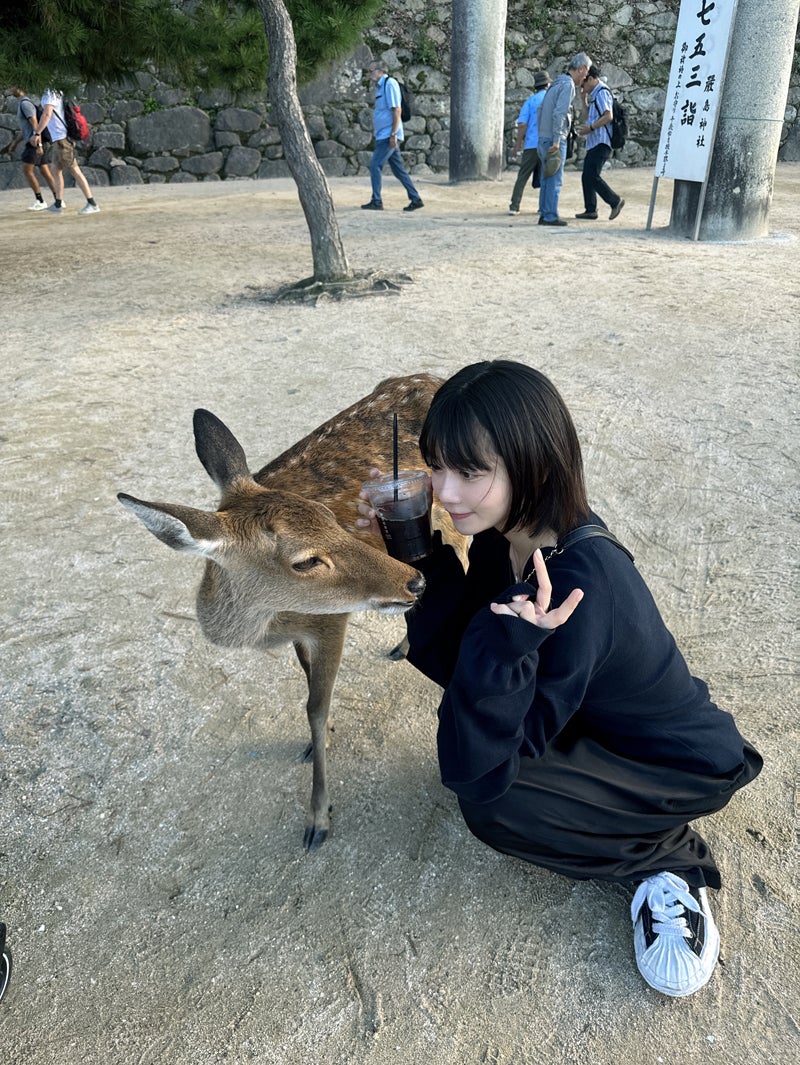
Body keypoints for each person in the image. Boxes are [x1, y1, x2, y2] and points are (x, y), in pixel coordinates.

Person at [357, 360, 762, 999]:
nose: (445, 493)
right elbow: (465, 660)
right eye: (436, 466)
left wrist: (504, 651)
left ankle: (663, 858)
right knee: (488, 727)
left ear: (535, 466)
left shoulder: (577, 584)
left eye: (470, 472)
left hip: (671, 764)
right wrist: (414, 555)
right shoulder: (509, 536)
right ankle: (622, 824)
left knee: (494, 804)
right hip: (590, 725)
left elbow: (483, 769)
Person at [536, 53, 591, 226]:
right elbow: (560, 113)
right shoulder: (568, 85)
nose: (586, 76)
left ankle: (544, 212)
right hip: (554, 138)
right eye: (586, 72)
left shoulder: (556, 83)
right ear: (581, 69)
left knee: (546, 177)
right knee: (554, 179)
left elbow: (541, 110)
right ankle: (550, 216)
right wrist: (557, 140)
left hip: (543, 137)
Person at [361, 59, 424, 213]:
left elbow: (397, 110)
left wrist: (393, 134)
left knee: (375, 165)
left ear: (380, 70)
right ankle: (415, 199)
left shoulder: (389, 84)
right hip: (384, 134)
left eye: (371, 71)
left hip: (388, 135)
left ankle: (376, 201)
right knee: (398, 170)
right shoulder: (381, 86)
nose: (369, 74)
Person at [31, 88, 99, 215]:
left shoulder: (50, 93)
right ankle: (58, 204)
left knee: (75, 170)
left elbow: (47, 114)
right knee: (55, 170)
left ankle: (92, 203)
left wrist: (37, 133)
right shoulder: (54, 91)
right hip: (59, 140)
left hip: (62, 140)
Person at [576, 66, 624, 221]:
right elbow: (586, 116)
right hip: (595, 141)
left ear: (591, 79)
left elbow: (608, 116)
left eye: (583, 83)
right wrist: (583, 99)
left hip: (602, 141)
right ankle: (590, 209)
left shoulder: (602, 92)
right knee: (587, 175)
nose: (582, 87)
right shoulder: (595, 94)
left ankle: (614, 201)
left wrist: (590, 128)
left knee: (592, 175)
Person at [4, 87, 57, 211]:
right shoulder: (24, 103)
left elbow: (35, 124)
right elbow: (27, 129)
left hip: (33, 143)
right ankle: (58, 199)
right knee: (45, 171)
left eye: (13, 86)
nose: (10, 88)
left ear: (20, 88)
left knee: (27, 171)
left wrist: (39, 145)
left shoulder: (25, 104)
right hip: (35, 142)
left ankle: (40, 201)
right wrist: (15, 143)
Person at [508, 71, 551, 216]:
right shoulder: (552, 100)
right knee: (547, 177)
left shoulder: (530, 101)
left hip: (532, 144)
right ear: (548, 84)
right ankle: (544, 207)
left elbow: (522, 125)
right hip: (548, 144)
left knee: (522, 176)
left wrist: (517, 145)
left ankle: (514, 206)